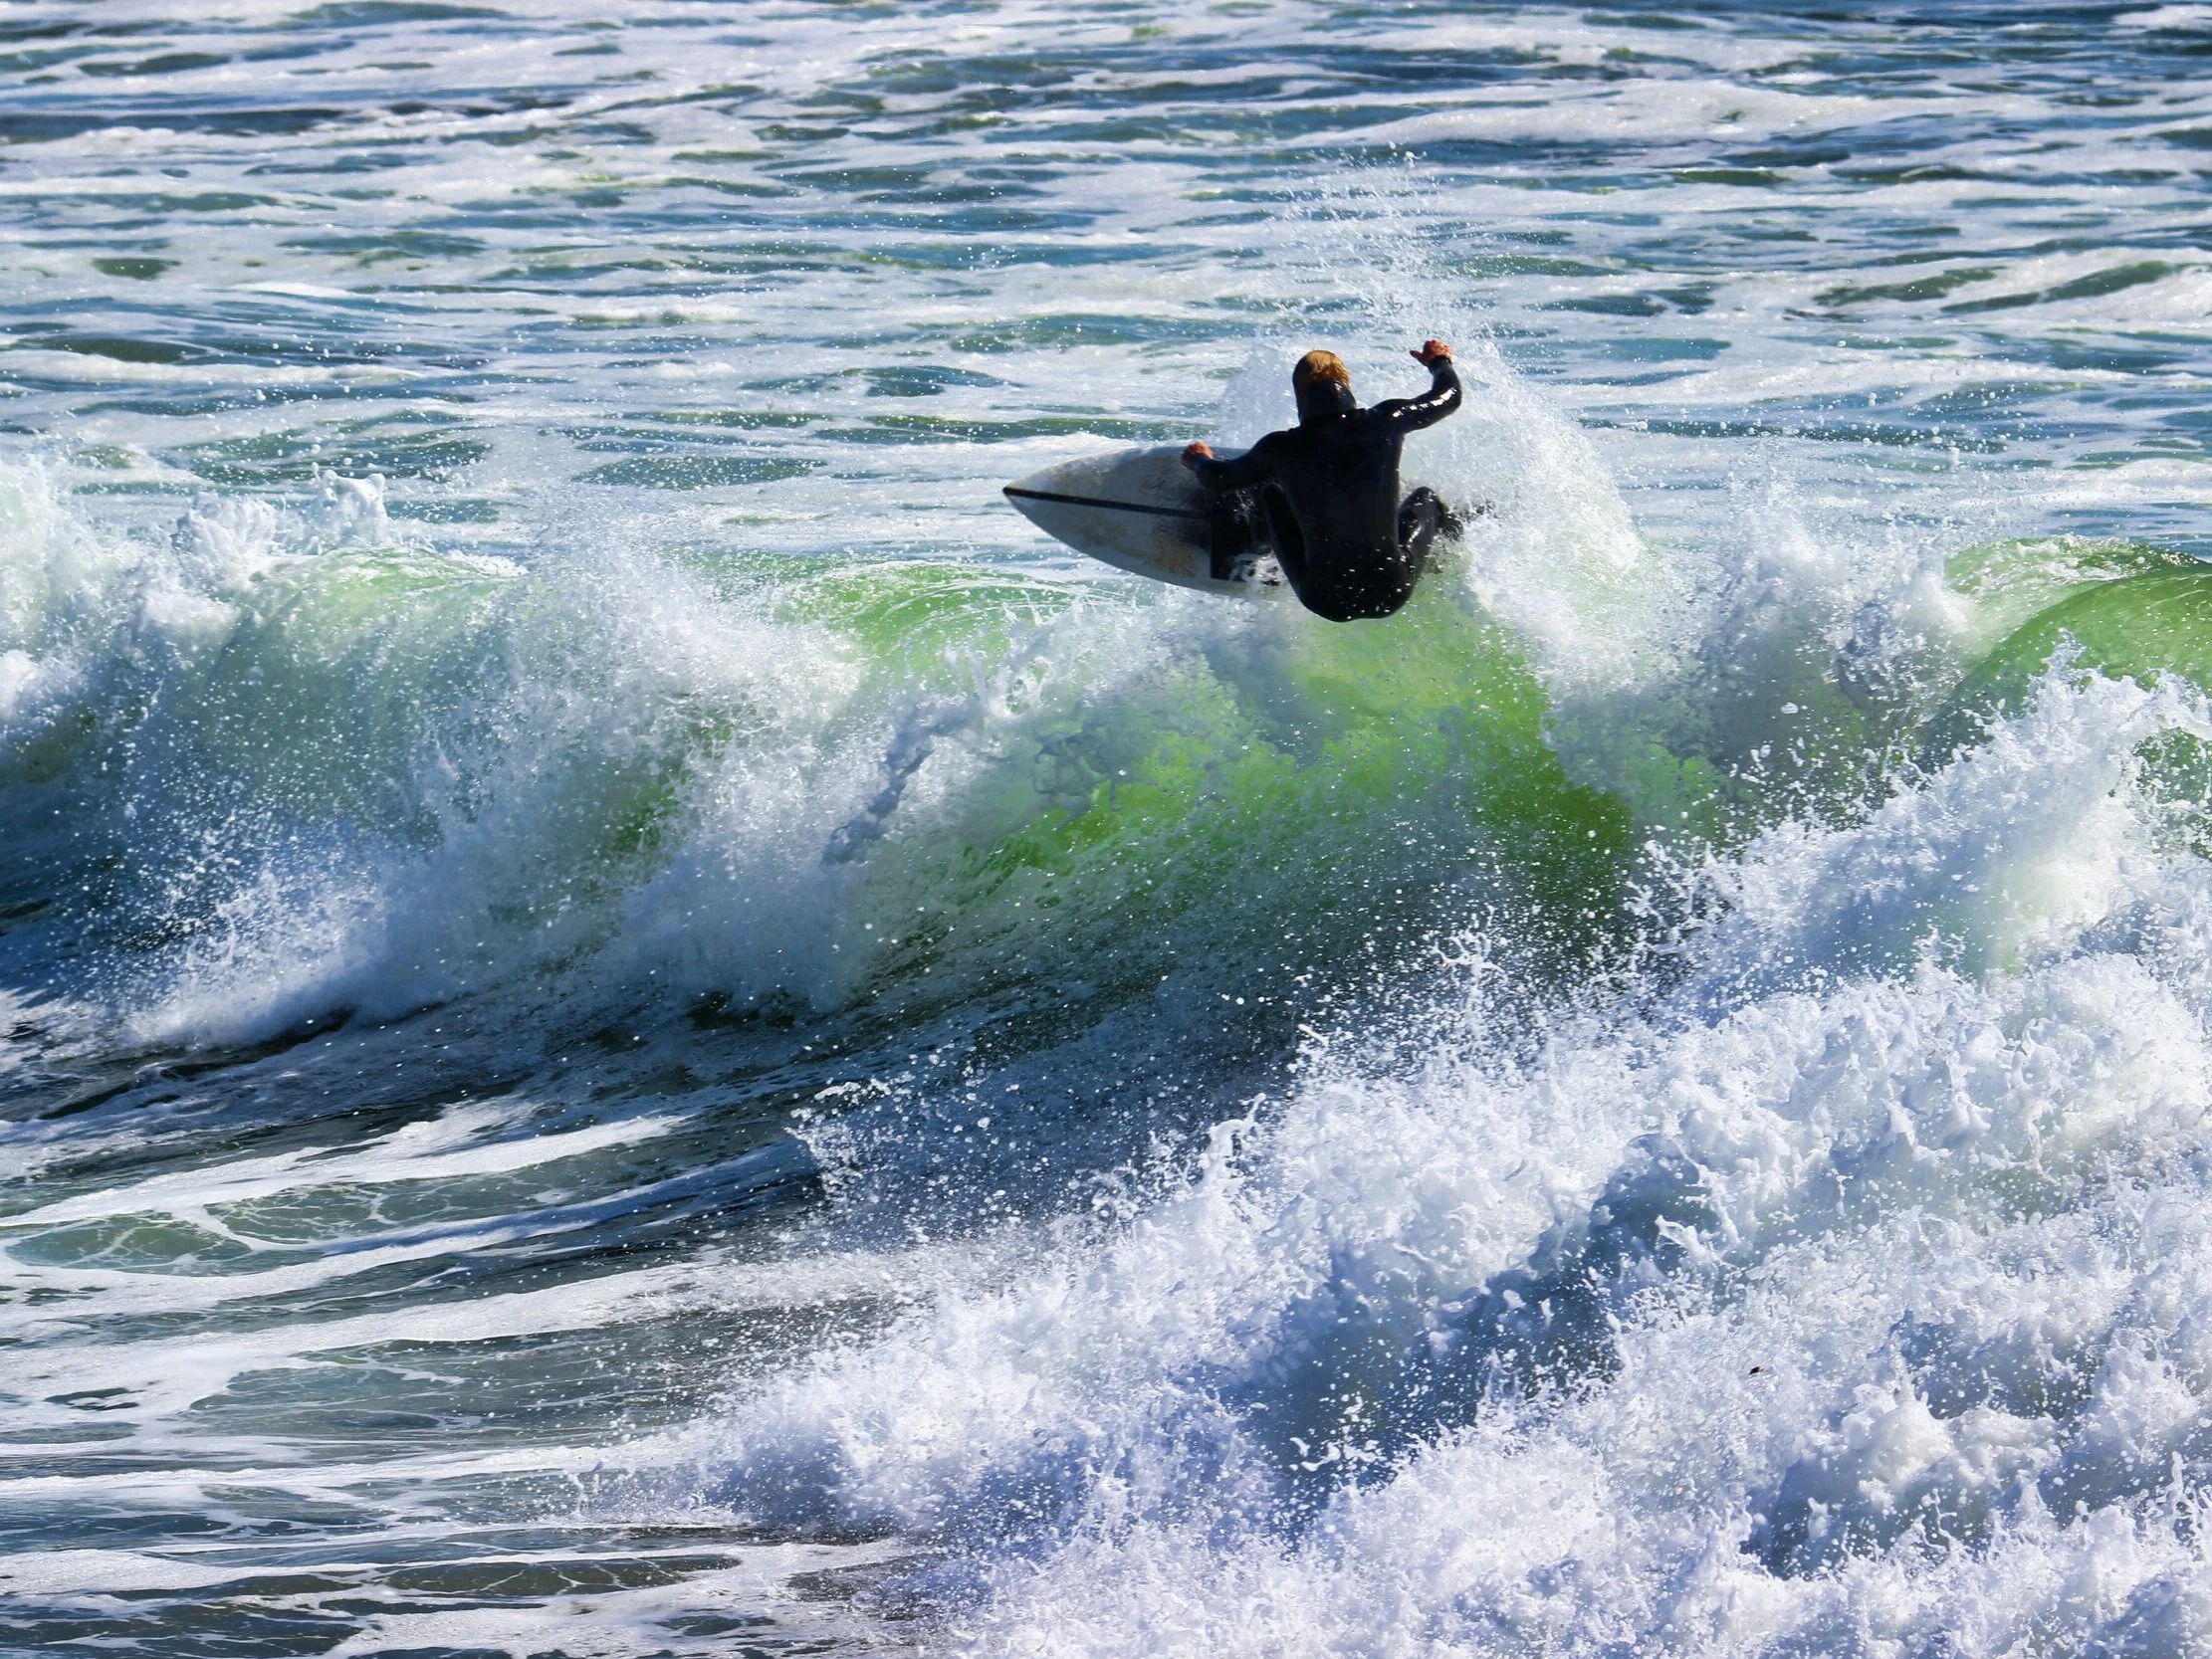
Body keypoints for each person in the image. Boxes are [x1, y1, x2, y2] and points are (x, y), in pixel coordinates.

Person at [1183, 340, 1463, 622]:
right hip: (1391, 590)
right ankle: (1453, 547)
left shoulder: (1280, 448)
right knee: (1425, 498)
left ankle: (1252, 544)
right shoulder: (1386, 421)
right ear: (1346, 387)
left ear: (1301, 396)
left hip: (1324, 598)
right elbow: (1449, 395)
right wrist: (1438, 361)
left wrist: (1198, 459)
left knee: (1268, 490)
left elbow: (1218, 479)